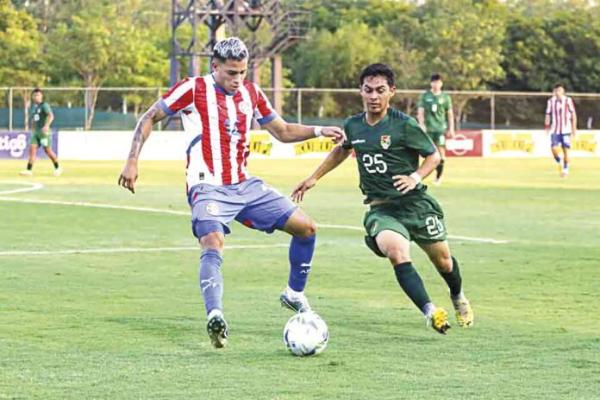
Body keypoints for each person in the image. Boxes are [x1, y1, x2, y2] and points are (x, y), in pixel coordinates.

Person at [117, 37, 344, 348]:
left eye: (242, 72)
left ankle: (293, 293)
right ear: (215, 67)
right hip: (207, 185)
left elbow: (282, 131)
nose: (237, 80)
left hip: (244, 184)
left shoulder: (251, 92)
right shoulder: (193, 88)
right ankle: (215, 316)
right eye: (230, 73)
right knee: (212, 242)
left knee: (307, 228)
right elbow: (149, 117)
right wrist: (132, 160)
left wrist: (319, 130)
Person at [292, 63, 473, 334]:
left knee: (444, 262)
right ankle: (430, 311)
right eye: (368, 90)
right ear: (360, 92)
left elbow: (433, 156)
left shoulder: (405, 125)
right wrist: (314, 177)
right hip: (382, 210)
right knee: (397, 252)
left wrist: (415, 177)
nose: (373, 96)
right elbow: (343, 150)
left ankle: (457, 296)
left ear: (392, 92)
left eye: (380, 90)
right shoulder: (353, 125)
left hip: (416, 205)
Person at [417, 74, 454, 185]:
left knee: (441, 156)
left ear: (441, 84)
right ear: (431, 83)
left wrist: (451, 128)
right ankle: (418, 176)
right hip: (428, 130)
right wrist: (421, 124)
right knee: (426, 154)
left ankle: (438, 177)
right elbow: (420, 111)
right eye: (434, 82)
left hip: (440, 130)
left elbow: (450, 113)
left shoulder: (445, 97)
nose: (436, 84)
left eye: (438, 82)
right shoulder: (425, 96)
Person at [20, 88, 62, 176]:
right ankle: (29, 170)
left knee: (48, 151)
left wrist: (46, 126)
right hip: (36, 132)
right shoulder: (34, 107)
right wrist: (33, 127)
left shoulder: (44, 105)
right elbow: (34, 119)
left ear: (41, 96)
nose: (36, 97)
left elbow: (51, 116)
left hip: (44, 132)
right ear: (32, 97)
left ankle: (58, 167)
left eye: (38, 95)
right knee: (32, 149)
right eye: (35, 95)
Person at [545, 83, 577, 177]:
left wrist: (574, 129)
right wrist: (547, 126)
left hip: (566, 130)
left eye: (560, 91)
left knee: (566, 150)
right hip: (555, 129)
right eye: (557, 91)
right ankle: (560, 162)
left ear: (563, 92)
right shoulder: (551, 101)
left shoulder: (568, 100)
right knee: (553, 148)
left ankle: (566, 169)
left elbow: (573, 114)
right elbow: (548, 114)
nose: (558, 93)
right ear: (554, 92)